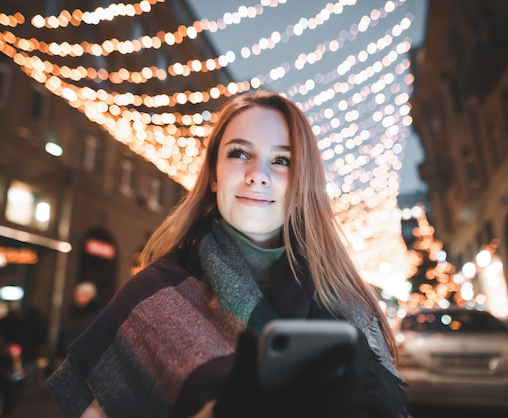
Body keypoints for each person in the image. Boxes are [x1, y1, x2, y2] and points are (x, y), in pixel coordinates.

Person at [47, 90, 408, 418]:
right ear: (215, 175)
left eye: (282, 160)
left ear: (303, 181)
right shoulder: (149, 297)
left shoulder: (347, 302)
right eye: (239, 153)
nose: (257, 174)